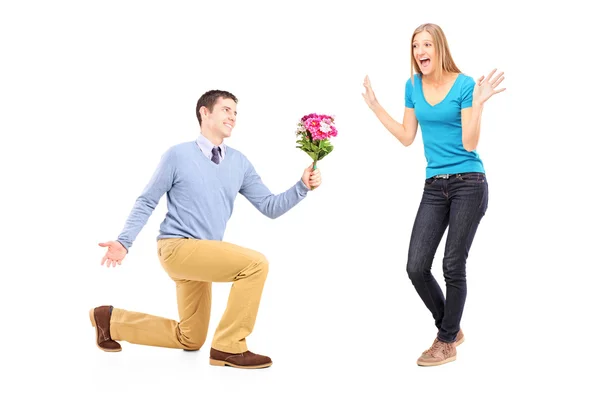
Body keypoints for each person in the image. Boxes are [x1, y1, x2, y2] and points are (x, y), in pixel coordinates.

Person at [89, 89, 322, 369]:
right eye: (226, 110)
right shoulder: (177, 155)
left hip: (203, 256)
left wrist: (302, 187)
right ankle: (229, 346)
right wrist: (124, 242)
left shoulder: (239, 163)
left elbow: (270, 207)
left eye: (235, 113)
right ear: (204, 112)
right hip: (177, 248)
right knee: (256, 265)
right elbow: (148, 200)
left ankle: (110, 321)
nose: (233, 117)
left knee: (190, 337)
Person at [362, 23, 505, 366]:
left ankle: (444, 342)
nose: (420, 51)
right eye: (415, 46)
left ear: (439, 48)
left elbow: (470, 143)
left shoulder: (466, 84)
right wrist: (375, 106)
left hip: (469, 183)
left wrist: (480, 104)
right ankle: (451, 328)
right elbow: (407, 136)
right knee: (415, 266)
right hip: (434, 186)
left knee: (452, 263)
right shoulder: (412, 85)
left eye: (426, 44)